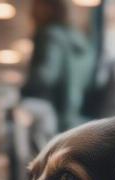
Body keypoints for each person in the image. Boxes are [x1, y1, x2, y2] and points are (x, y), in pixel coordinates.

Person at [21, 0, 95, 134]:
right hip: (71, 112)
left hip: (47, 110)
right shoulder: (79, 40)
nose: (31, 12)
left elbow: (46, 74)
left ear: (47, 8)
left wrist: (23, 90)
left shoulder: (49, 34)